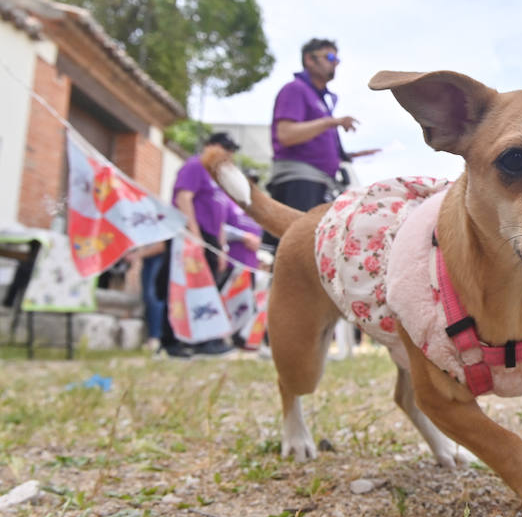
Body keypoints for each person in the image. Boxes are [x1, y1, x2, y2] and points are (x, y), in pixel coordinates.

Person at [266, 38, 378, 246]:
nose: (335, 63)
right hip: (299, 180)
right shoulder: (295, 89)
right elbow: (286, 134)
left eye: (337, 59)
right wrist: (331, 122)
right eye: (330, 57)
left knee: (313, 247)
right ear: (309, 59)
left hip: (319, 182)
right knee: (298, 248)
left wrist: (352, 155)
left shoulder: (319, 98)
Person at [156, 132, 240, 357]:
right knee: (181, 287)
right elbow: (184, 198)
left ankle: (203, 340)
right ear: (210, 146)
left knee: (206, 289)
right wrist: (194, 235)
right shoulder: (195, 166)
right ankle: (171, 341)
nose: (228, 155)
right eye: (225, 149)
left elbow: (220, 216)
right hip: (191, 234)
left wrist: (221, 249)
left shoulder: (218, 176)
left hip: (211, 239)